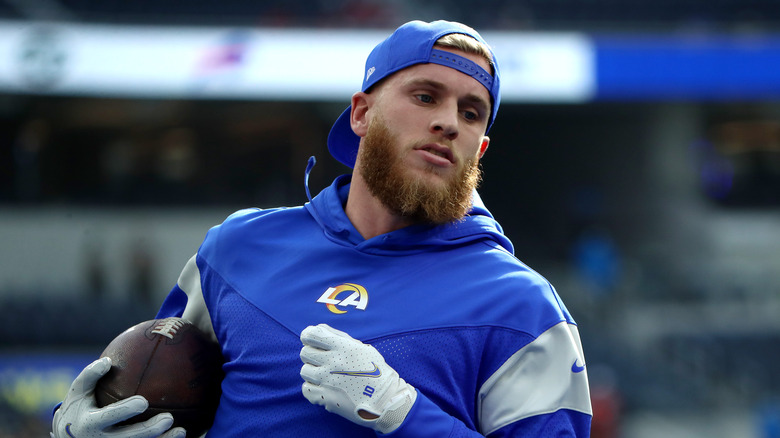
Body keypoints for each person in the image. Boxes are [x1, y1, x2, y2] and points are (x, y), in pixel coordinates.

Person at [51, 20, 592, 437]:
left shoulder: (523, 308)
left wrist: (406, 415)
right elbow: (151, 390)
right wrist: (77, 423)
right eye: (426, 96)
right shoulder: (236, 249)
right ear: (361, 114)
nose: (450, 122)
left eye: (472, 113)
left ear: (482, 148)